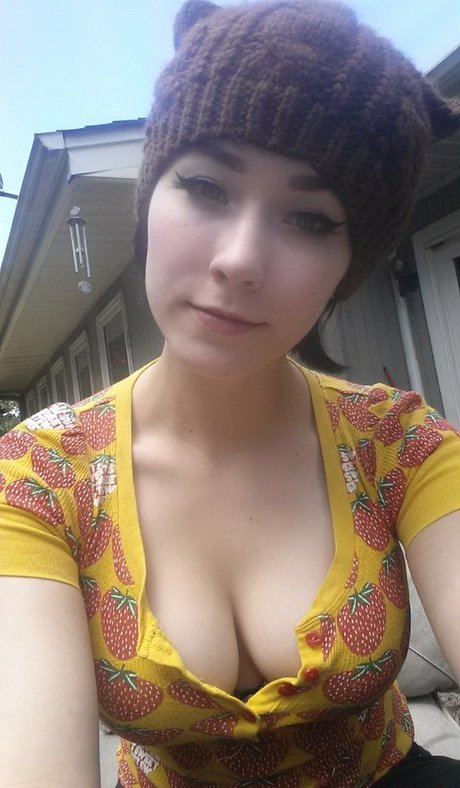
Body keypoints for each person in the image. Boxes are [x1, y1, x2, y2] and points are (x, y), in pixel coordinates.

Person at [1, 1, 460, 786]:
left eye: (309, 219)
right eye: (207, 186)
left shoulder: (397, 443)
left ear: (348, 265)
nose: (241, 260)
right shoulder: (42, 478)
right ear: (152, 197)